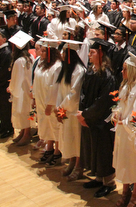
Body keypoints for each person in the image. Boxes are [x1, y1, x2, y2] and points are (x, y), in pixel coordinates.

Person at [79, 38, 118, 198]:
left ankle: (109, 182)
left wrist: (86, 114)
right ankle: (98, 177)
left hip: (101, 121)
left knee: (103, 151)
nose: (89, 54)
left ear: (101, 54)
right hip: (89, 118)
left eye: (92, 52)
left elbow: (103, 102)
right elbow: (82, 93)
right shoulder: (90, 71)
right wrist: (82, 112)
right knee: (92, 149)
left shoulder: (108, 76)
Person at [112, 51, 136, 206]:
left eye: (125, 69)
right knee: (124, 163)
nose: (122, 71)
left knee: (133, 164)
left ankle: (135, 194)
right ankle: (125, 190)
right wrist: (116, 114)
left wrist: (125, 121)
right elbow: (121, 106)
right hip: (122, 131)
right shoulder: (125, 86)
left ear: (133, 71)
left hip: (131, 133)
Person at [57, 40, 86, 179]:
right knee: (68, 138)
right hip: (66, 110)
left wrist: (62, 107)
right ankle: (71, 162)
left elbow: (74, 93)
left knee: (76, 139)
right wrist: (59, 108)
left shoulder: (79, 70)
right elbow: (60, 89)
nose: (61, 55)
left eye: (63, 52)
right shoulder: (66, 69)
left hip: (74, 111)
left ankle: (78, 167)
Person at [33, 38, 63, 165]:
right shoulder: (42, 63)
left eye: (44, 51)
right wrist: (34, 97)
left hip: (51, 103)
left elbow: (55, 87)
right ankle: (49, 148)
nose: (41, 53)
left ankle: (57, 152)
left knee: (54, 127)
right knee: (45, 126)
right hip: (41, 100)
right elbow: (36, 80)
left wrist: (50, 104)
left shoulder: (57, 67)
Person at [7, 31, 34, 146]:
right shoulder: (31, 57)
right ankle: (23, 132)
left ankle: (26, 134)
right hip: (29, 89)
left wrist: (11, 88)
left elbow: (17, 79)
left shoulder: (19, 61)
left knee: (23, 112)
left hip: (21, 90)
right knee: (25, 112)